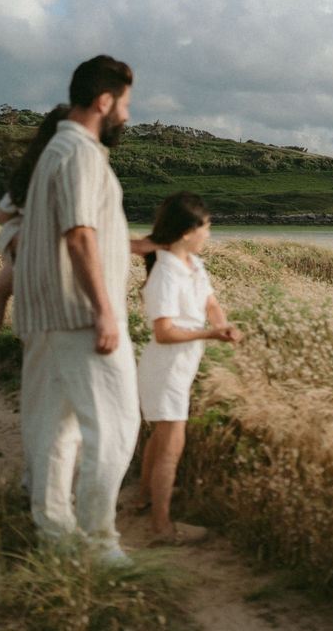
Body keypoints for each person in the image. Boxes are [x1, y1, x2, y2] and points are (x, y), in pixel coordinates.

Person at [14, 55, 143, 565]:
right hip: (80, 317)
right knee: (115, 426)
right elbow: (79, 234)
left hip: (48, 314)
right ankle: (98, 541)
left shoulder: (53, 151)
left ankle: (54, 537)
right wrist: (105, 309)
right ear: (104, 101)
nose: (128, 118)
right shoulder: (82, 154)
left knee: (53, 429)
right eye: (126, 105)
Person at [130, 191, 242, 545]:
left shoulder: (193, 264)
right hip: (165, 370)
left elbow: (210, 301)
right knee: (171, 448)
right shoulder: (165, 273)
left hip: (178, 369)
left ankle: (144, 498)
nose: (209, 234)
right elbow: (163, 333)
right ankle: (161, 528)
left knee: (161, 439)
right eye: (205, 228)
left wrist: (221, 322)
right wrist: (211, 334)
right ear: (185, 233)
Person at [0, 104, 72, 388]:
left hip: (29, 249)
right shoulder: (78, 163)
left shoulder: (33, 167)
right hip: (65, 250)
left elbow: (1, 214)